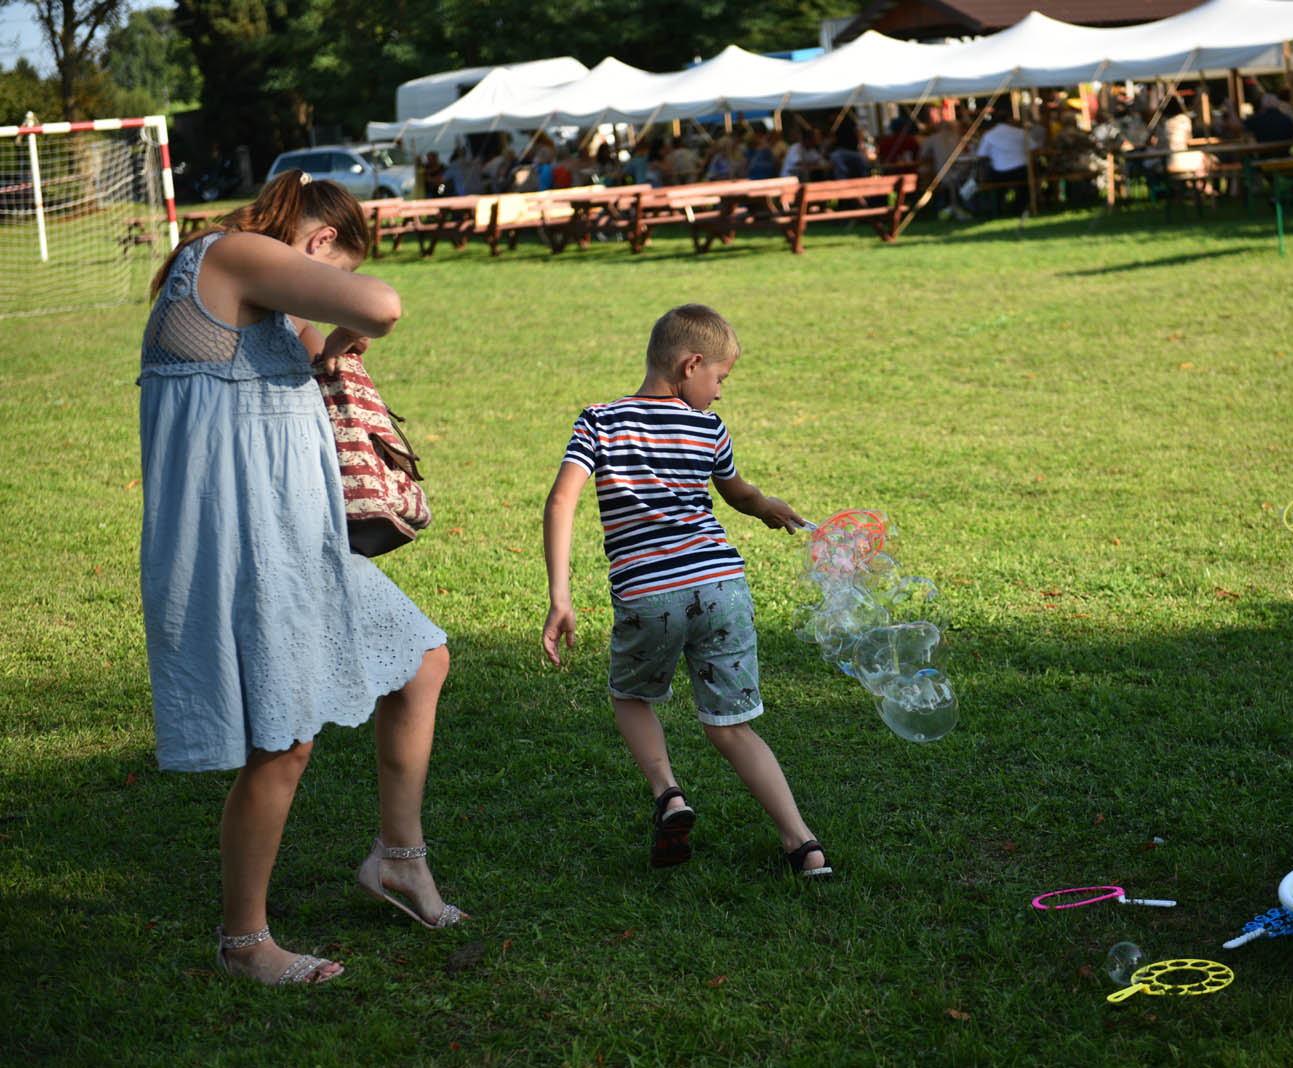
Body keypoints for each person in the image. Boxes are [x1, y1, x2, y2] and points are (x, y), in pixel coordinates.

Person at [138, 172, 462, 987]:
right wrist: (355, 307)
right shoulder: (232, 255)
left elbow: (298, 374)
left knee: (421, 660)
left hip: (299, 539)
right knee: (285, 738)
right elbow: (383, 306)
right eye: (338, 265)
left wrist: (333, 347)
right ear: (321, 246)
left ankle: (398, 859)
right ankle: (244, 942)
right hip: (242, 546)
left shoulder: (266, 302)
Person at [540, 304, 832, 879]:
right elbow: (738, 493)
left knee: (631, 695)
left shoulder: (599, 421)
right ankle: (803, 845)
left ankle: (668, 793)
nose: (720, 394)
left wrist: (560, 596)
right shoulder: (708, 429)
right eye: (720, 379)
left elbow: (561, 501)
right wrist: (764, 505)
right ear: (691, 364)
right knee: (730, 726)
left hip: (649, 595)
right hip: (722, 586)